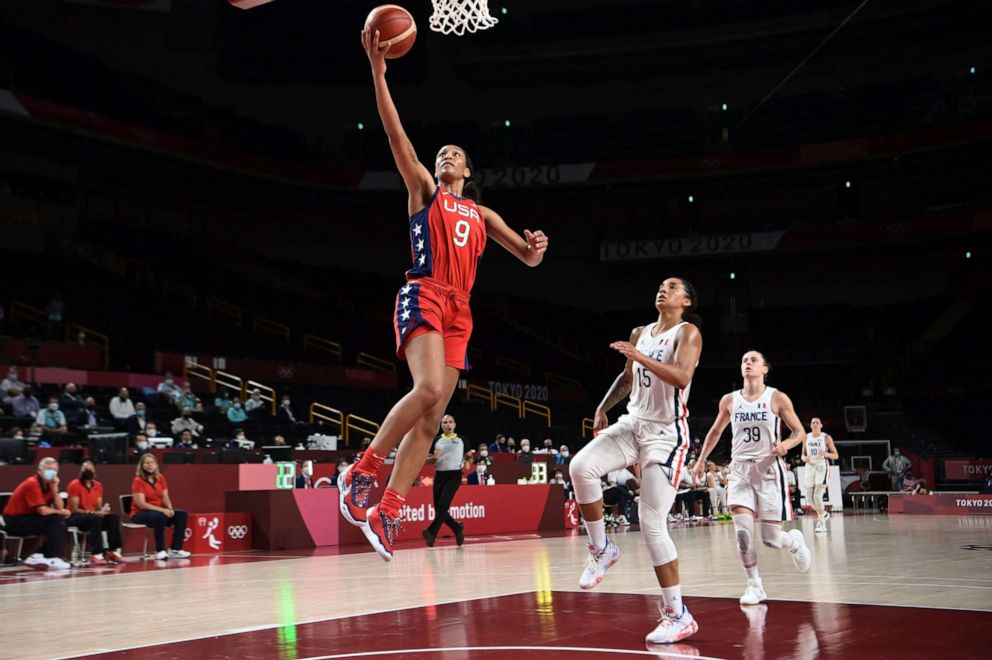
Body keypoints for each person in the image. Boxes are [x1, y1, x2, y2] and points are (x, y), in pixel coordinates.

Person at [338, 26, 549, 563]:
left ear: (469, 170)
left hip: (461, 310)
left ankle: (387, 510)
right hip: (425, 292)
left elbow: (527, 259)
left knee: (432, 421)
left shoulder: (481, 214)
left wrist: (536, 249)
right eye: (441, 153)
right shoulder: (425, 192)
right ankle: (363, 470)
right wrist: (379, 73)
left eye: (455, 153)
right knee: (428, 389)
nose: (446, 156)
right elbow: (396, 137)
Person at [568, 277, 703, 644]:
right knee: (580, 467)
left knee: (651, 521)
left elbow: (681, 377)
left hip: (666, 434)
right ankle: (602, 549)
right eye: (660, 285)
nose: (663, 289)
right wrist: (601, 406)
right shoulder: (641, 331)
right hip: (634, 424)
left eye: (673, 287)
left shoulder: (687, 333)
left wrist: (640, 356)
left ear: (686, 300)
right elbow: (628, 378)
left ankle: (678, 615)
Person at [693, 350, 812, 608]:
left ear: (765, 369)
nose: (748, 363)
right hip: (740, 472)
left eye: (753, 360)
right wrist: (702, 459)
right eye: (744, 360)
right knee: (743, 535)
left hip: (768, 471)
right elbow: (715, 431)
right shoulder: (730, 400)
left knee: (771, 539)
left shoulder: (777, 398)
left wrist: (786, 446)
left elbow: (799, 431)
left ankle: (793, 542)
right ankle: (754, 585)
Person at [0, 458, 71, 569]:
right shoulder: (32, 483)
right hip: (13, 521)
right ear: (39, 470)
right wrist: (60, 512)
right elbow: (42, 511)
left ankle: (40, 555)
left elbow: (60, 506)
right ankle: (51, 557)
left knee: (57, 522)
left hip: (29, 518)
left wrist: (54, 489)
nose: (52, 472)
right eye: (48, 469)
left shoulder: (49, 485)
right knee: (55, 520)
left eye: (55, 470)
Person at [130, 453, 191, 560]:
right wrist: (163, 510)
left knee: (182, 514)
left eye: (152, 462)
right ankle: (160, 550)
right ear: (142, 465)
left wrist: (170, 509)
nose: (150, 465)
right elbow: (142, 504)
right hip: (140, 514)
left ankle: (175, 550)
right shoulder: (138, 481)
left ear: (156, 465)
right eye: (147, 463)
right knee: (160, 516)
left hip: (158, 512)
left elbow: (165, 497)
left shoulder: (161, 478)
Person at [66, 460, 124, 564]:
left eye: (90, 469)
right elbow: (74, 509)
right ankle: (96, 554)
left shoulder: (98, 486)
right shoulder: (74, 485)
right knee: (95, 518)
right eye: (85, 469)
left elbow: (97, 507)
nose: (88, 471)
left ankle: (112, 551)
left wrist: (103, 510)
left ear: (94, 472)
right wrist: (93, 513)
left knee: (113, 518)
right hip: (76, 517)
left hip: (93, 517)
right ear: (81, 472)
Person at [422, 414, 465, 547]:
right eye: (445, 422)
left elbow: (469, 457)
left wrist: (468, 462)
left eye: (450, 422)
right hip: (440, 475)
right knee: (439, 510)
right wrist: (433, 459)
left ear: (454, 424)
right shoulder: (436, 440)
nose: (448, 424)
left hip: (454, 475)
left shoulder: (462, 440)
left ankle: (431, 532)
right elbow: (426, 460)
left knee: (442, 507)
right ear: (441, 426)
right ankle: (457, 528)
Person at [801, 418, 839, 533]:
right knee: (809, 498)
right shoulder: (806, 437)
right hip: (809, 467)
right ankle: (823, 514)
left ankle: (822, 524)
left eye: (817, 422)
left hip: (821, 466)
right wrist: (804, 458)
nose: (815, 424)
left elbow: (836, 455)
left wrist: (826, 453)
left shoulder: (826, 437)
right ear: (810, 425)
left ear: (821, 425)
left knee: (817, 496)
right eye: (813, 422)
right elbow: (802, 454)